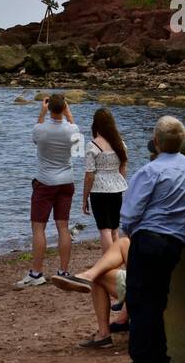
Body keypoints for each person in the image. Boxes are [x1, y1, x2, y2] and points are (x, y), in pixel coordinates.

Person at [99, 115, 185, 363]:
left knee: (140, 301)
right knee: (156, 300)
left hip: (150, 239)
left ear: (156, 142)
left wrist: (127, 236)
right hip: (175, 241)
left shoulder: (150, 171)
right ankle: (159, 360)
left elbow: (130, 213)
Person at [15, 93, 80, 289]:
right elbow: (77, 152)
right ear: (65, 107)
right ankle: (64, 270)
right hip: (66, 181)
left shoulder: (40, 129)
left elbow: (36, 136)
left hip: (45, 182)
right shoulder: (74, 129)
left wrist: (41, 114)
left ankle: (36, 273)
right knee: (63, 226)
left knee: (38, 227)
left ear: (49, 108)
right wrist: (69, 117)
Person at [52, 235, 131, 348]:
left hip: (149, 292)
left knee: (123, 243)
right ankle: (88, 275)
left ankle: (104, 334)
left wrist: (122, 319)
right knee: (122, 241)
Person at [81, 107, 128, 252]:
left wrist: (84, 198)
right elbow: (123, 170)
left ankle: (108, 263)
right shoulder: (120, 144)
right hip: (117, 188)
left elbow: (89, 175)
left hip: (99, 190)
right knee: (114, 229)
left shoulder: (92, 145)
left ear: (95, 124)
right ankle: (117, 263)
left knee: (104, 229)